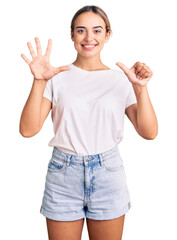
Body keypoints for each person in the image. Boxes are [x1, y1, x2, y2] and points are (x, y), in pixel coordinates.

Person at [19, 5, 158, 240]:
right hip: (63, 175)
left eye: (97, 30)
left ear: (107, 34)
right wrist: (39, 81)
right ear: (72, 34)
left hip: (108, 174)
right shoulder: (56, 77)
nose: (89, 37)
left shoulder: (121, 80)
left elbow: (149, 132)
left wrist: (141, 89)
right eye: (81, 30)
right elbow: (28, 129)